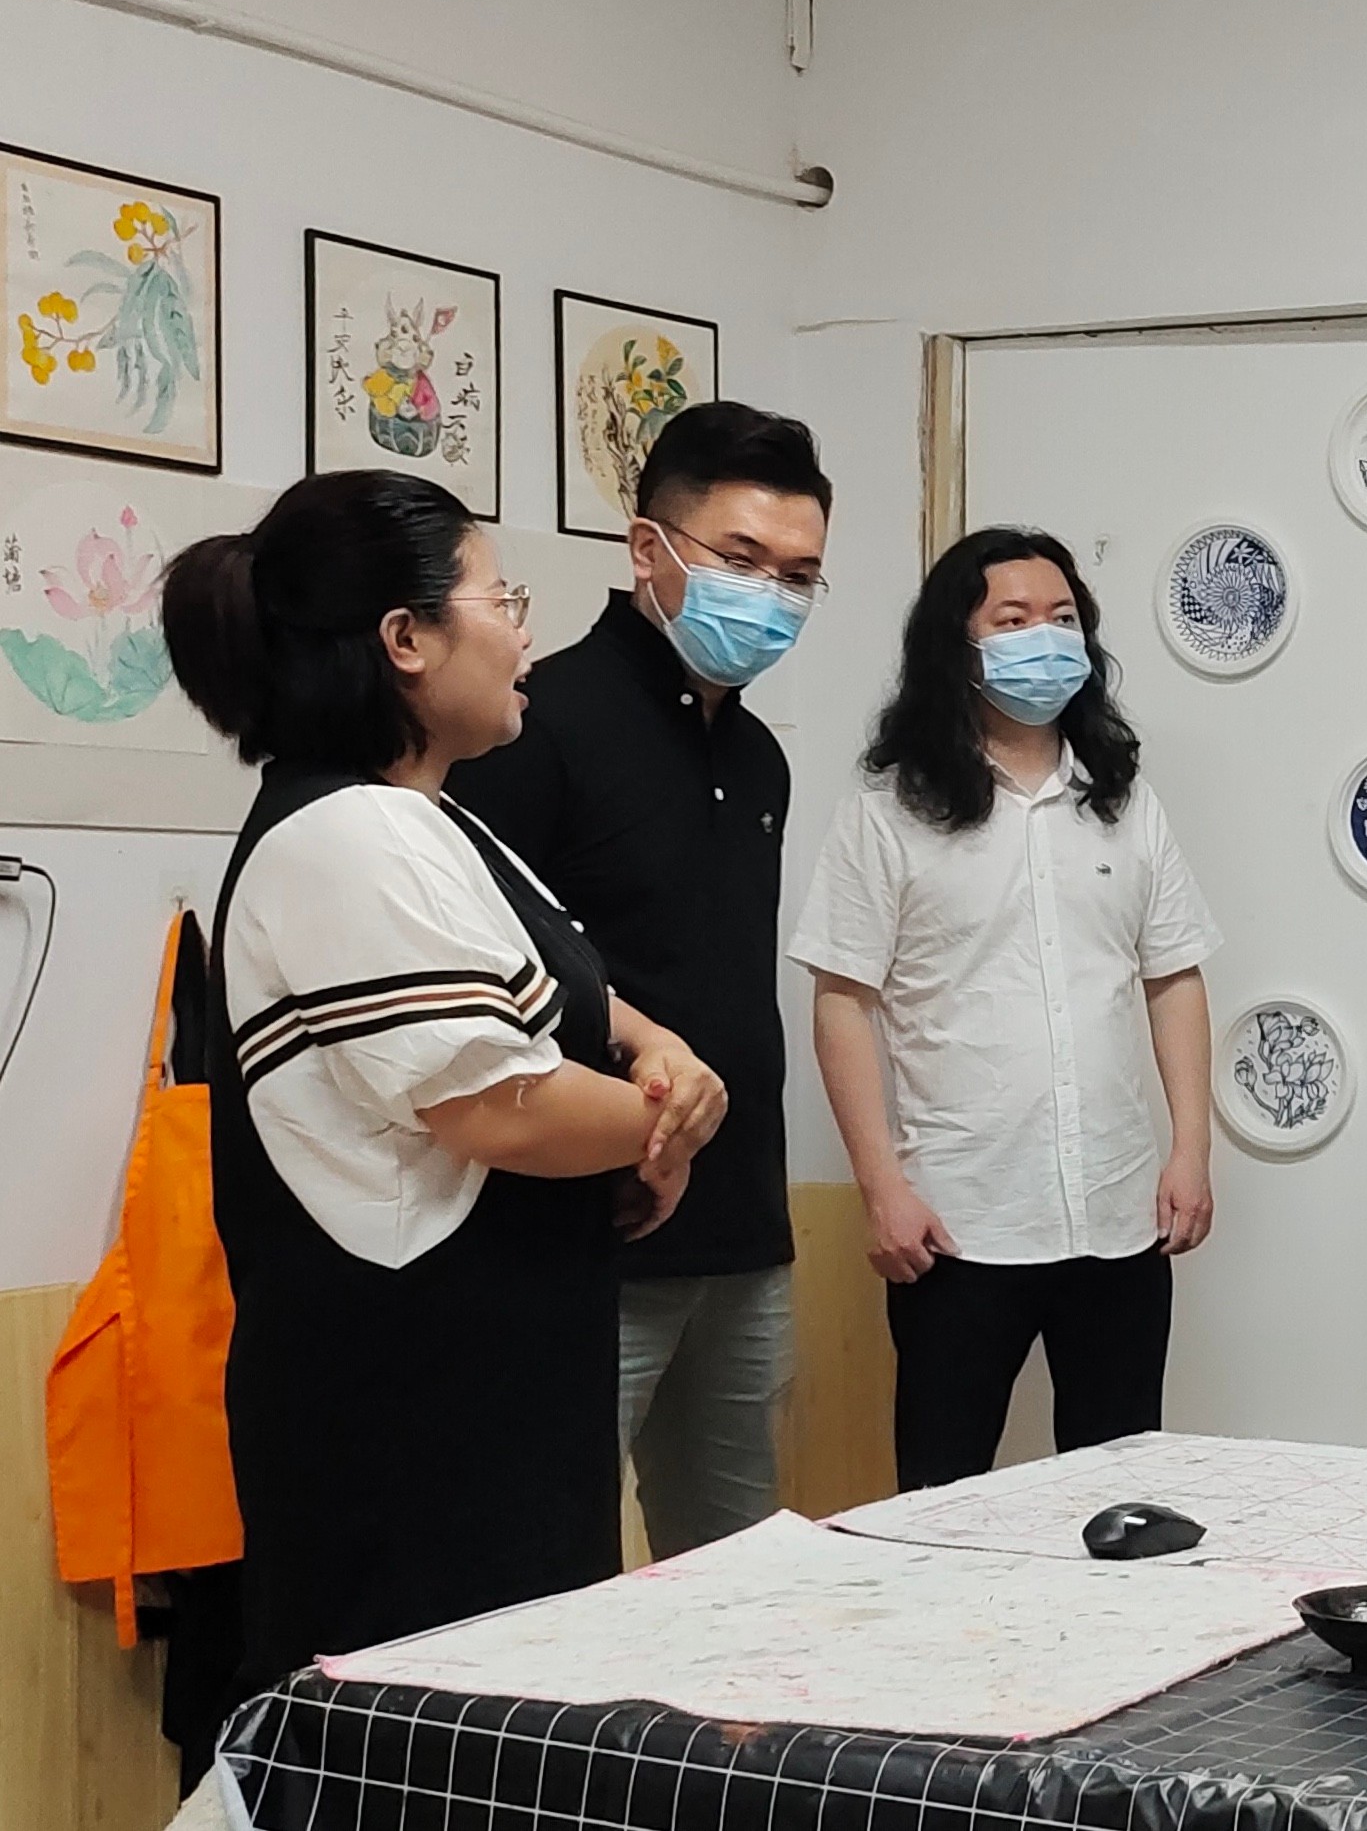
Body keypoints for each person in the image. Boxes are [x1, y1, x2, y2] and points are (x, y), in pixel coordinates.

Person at [161, 470, 728, 1698]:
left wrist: (659, 1051)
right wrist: (674, 1120)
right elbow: (502, 1105)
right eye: (499, 598)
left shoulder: (436, 820)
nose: (522, 633)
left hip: (500, 1393)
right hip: (408, 1429)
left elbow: (570, 1003)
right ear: (404, 639)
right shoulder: (348, 834)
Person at [444, 403, 830, 1560]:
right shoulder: (534, 726)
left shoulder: (759, 756)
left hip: (741, 1228)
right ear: (648, 547)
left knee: (738, 1570)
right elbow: (489, 980)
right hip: (582, 1230)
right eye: (741, 558)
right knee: (545, 1564)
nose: (769, 596)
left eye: (798, 575)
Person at [790, 528, 1219, 1492]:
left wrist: (1191, 1148)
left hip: (1117, 1217)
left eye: (1063, 619)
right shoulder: (890, 808)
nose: (1045, 639)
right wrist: (881, 1188)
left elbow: (1173, 976)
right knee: (942, 1499)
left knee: (1123, 1498)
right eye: (1013, 619)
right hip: (957, 1223)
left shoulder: (1123, 801)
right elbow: (842, 1001)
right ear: (959, 644)